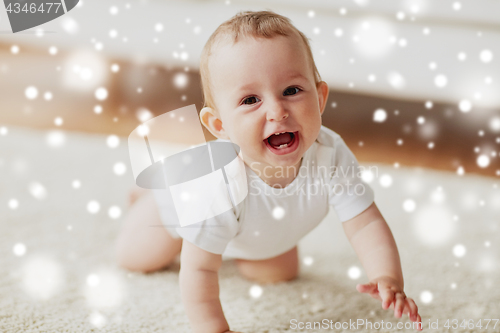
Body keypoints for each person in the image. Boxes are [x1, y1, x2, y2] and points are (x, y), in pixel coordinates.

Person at [115, 10, 423, 333]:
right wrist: (215, 328)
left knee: (281, 271)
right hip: (178, 209)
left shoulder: (329, 154)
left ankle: (224, 239)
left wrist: (388, 277)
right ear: (219, 126)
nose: (277, 111)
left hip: (254, 230)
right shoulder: (218, 187)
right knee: (136, 258)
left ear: (320, 98)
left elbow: (365, 223)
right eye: (250, 99)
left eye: (291, 90)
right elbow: (199, 271)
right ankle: (148, 197)